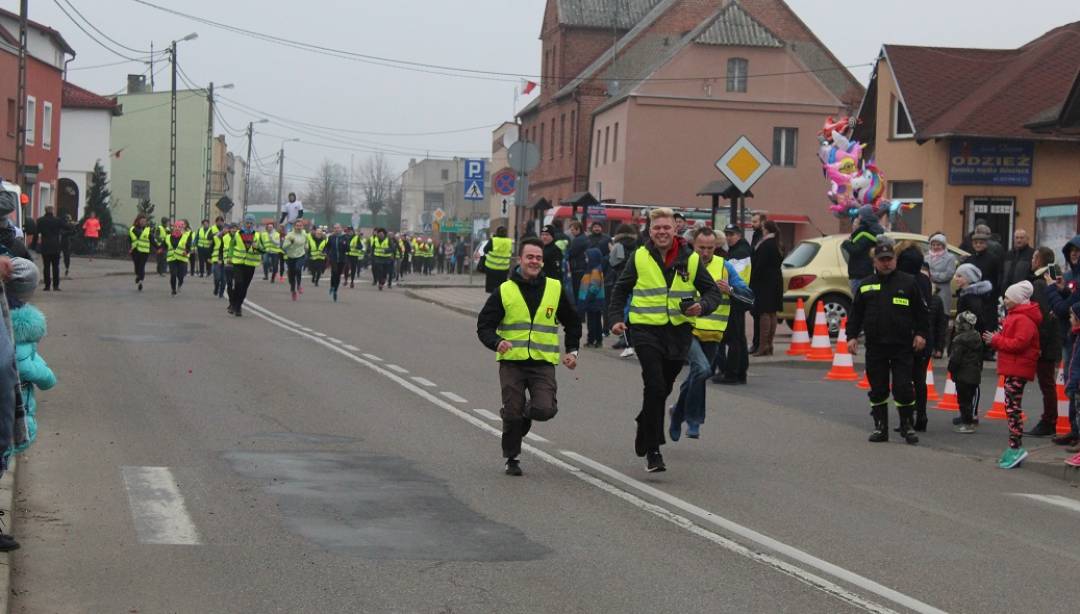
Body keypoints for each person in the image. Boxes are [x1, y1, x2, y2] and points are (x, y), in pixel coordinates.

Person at [608, 208, 723, 473]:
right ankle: (653, 449)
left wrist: (702, 306)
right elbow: (620, 289)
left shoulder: (691, 259)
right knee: (655, 385)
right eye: (657, 227)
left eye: (666, 227)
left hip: (678, 334)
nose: (662, 232)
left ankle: (643, 420)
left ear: (676, 230)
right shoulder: (639, 257)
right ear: (650, 231)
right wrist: (614, 318)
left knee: (664, 388)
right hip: (646, 331)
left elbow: (712, 293)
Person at [476, 238, 581, 476]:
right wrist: (496, 342)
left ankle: (523, 417)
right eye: (529, 257)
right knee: (512, 411)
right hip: (512, 361)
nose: (534, 261)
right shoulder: (504, 291)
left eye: (538, 258)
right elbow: (484, 325)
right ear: (520, 260)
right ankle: (512, 458)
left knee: (544, 410)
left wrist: (572, 351)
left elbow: (573, 321)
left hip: (542, 363)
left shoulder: (554, 288)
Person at [670, 227, 752, 441]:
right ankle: (694, 420)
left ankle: (677, 411)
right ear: (693, 246)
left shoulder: (725, 268)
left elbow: (749, 296)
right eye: (701, 248)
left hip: (714, 332)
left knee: (699, 374)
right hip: (688, 328)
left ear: (716, 247)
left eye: (710, 248)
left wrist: (731, 290)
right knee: (703, 369)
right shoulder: (683, 265)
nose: (705, 252)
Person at [846, 238, 928, 445]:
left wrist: (921, 334)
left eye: (889, 259)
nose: (886, 263)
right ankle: (880, 428)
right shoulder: (865, 286)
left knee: (903, 388)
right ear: (875, 261)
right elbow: (855, 314)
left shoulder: (908, 283)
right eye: (882, 260)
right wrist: (851, 337)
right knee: (878, 388)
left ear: (895, 260)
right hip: (876, 346)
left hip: (902, 346)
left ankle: (907, 426)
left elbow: (922, 313)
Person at [984, 281, 1041, 469]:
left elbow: (1018, 344)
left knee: (1013, 408)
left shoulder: (1023, 319)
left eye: (1008, 297)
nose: (1005, 300)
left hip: (1018, 369)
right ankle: (1013, 445)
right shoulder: (1015, 316)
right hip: (1013, 368)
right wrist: (996, 339)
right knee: (1011, 407)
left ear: (1017, 299)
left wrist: (996, 340)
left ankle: (1016, 446)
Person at [1022, 247, 1062, 437]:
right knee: (1049, 382)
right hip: (1057, 337)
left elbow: (1042, 317)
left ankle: (1049, 421)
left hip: (1046, 341)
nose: (1031, 260)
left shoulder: (1039, 284)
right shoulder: (1056, 277)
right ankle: (1050, 419)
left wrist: (1039, 344)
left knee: (1046, 382)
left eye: (1033, 257)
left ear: (1039, 261)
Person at [910, 261, 947, 431]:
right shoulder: (914, 293)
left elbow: (941, 326)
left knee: (918, 379)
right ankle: (911, 413)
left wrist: (939, 347)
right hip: (915, 339)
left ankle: (920, 414)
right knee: (911, 380)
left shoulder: (935, 300)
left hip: (924, 342)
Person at [715, 224, 752, 384]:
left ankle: (732, 373)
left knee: (734, 339)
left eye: (732, 234)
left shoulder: (740, 253)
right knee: (738, 338)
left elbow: (737, 276)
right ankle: (739, 372)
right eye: (727, 234)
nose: (729, 237)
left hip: (736, 297)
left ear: (739, 235)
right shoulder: (738, 250)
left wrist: (730, 288)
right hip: (738, 296)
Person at [749, 220, 783, 356]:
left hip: (764, 282)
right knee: (772, 312)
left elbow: (759, 265)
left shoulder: (766, 244)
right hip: (775, 281)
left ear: (767, 230)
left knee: (764, 312)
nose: (762, 230)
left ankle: (763, 346)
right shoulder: (778, 243)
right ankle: (769, 344)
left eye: (763, 228)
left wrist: (752, 280)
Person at [949, 311, 984, 433]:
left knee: (963, 400)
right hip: (974, 373)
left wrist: (951, 369)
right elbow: (980, 357)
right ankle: (969, 418)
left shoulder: (959, 340)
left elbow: (955, 359)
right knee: (970, 398)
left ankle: (967, 423)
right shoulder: (978, 337)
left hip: (963, 374)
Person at [841, 205, 884, 295]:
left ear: (863, 217)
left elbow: (855, 249)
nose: (857, 218)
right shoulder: (872, 230)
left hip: (860, 273)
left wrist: (846, 243)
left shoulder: (865, 232)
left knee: (859, 300)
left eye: (859, 215)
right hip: (866, 271)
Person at [227, 215, 261, 317]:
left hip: (250, 264)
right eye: (247, 223)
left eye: (251, 223)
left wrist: (257, 248)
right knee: (238, 283)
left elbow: (263, 250)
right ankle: (233, 303)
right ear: (244, 223)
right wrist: (230, 256)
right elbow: (231, 246)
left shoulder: (258, 236)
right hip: (238, 262)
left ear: (253, 224)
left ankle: (238, 306)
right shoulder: (237, 234)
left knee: (244, 287)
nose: (249, 225)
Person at [34, 207, 68, 292]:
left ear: (45, 210)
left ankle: (47, 286)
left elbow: (36, 233)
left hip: (45, 246)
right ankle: (56, 286)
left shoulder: (40, 220)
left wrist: (33, 245)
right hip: (56, 246)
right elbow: (67, 227)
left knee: (46, 266)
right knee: (56, 267)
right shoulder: (58, 220)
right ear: (52, 211)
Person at [579, 247, 606, 347]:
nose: (586, 259)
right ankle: (598, 340)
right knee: (596, 321)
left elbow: (594, 286)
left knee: (592, 322)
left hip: (593, 300)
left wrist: (587, 298)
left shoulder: (595, 270)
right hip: (595, 301)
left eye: (587, 257)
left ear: (593, 258)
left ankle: (592, 340)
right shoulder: (591, 269)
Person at [965, 228, 1003, 297]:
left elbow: (998, 278)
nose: (978, 245)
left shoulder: (993, 259)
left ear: (986, 244)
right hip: (971, 295)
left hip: (988, 295)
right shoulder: (969, 259)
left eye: (981, 243)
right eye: (975, 243)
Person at [925, 233, 957, 315]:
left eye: (938, 245)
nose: (935, 247)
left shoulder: (950, 257)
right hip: (929, 291)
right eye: (933, 245)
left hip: (943, 292)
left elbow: (948, 275)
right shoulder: (926, 257)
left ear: (943, 245)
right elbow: (923, 273)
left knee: (942, 315)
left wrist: (931, 275)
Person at [1064, 304, 1080, 467]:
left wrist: (1072, 383)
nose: (1069, 319)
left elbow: (1077, 365)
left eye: (1072, 316)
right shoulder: (1075, 336)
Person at [282, 220, 309, 301]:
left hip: (301, 255)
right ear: (294, 226)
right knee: (291, 276)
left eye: (300, 226)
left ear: (302, 227)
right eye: (297, 226)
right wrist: (291, 242)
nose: (299, 227)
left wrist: (306, 246)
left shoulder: (304, 234)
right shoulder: (290, 235)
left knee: (298, 269)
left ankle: (299, 285)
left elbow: (306, 241)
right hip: (291, 256)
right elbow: (284, 247)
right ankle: (293, 290)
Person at [165, 221, 193, 296]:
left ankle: (180, 283)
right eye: (175, 227)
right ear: (173, 228)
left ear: (182, 228)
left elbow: (188, 246)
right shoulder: (168, 236)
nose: (177, 229)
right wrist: (160, 249)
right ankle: (173, 289)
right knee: (173, 274)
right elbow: (164, 245)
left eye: (179, 227)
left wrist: (186, 251)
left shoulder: (186, 236)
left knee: (181, 275)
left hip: (182, 258)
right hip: (172, 259)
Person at [483, 226, 513, 293]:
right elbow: (511, 252)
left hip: (491, 268)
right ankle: (500, 301)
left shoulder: (493, 240)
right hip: (503, 269)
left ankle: (493, 301)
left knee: (492, 288)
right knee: (502, 289)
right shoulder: (509, 241)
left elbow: (485, 250)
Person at [325, 224, 350, 301]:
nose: (336, 229)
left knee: (338, 275)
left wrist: (345, 245)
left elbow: (348, 249)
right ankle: (332, 286)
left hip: (342, 259)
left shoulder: (345, 237)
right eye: (335, 228)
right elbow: (327, 246)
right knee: (334, 272)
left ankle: (335, 290)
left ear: (341, 229)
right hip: (333, 258)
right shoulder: (331, 237)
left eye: (338, 228)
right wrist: (325, 252)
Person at [128, 216, 152, 292]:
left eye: (144, 221)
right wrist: (129, 247)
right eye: (142, 221)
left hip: (145, 251)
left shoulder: (147, 230)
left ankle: (140, 282)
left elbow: (152, 239)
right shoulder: (133, 229)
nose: (143, 223)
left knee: (142, 266)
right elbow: (129, 240)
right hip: (135, 251)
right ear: (138, 221)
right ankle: (138, 276)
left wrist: (159, 247)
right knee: (137, 266)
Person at [210, 222, 234, 299]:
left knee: (224, 279)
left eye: (227, 228)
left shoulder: (232, 238)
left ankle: (221, 293)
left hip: (226, 261)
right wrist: (208, 257)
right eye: (224, 228)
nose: (226, 230)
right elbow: (210, 247)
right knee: (217, 278)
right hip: (216, 260)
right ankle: (216, 288)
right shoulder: (217, 237)